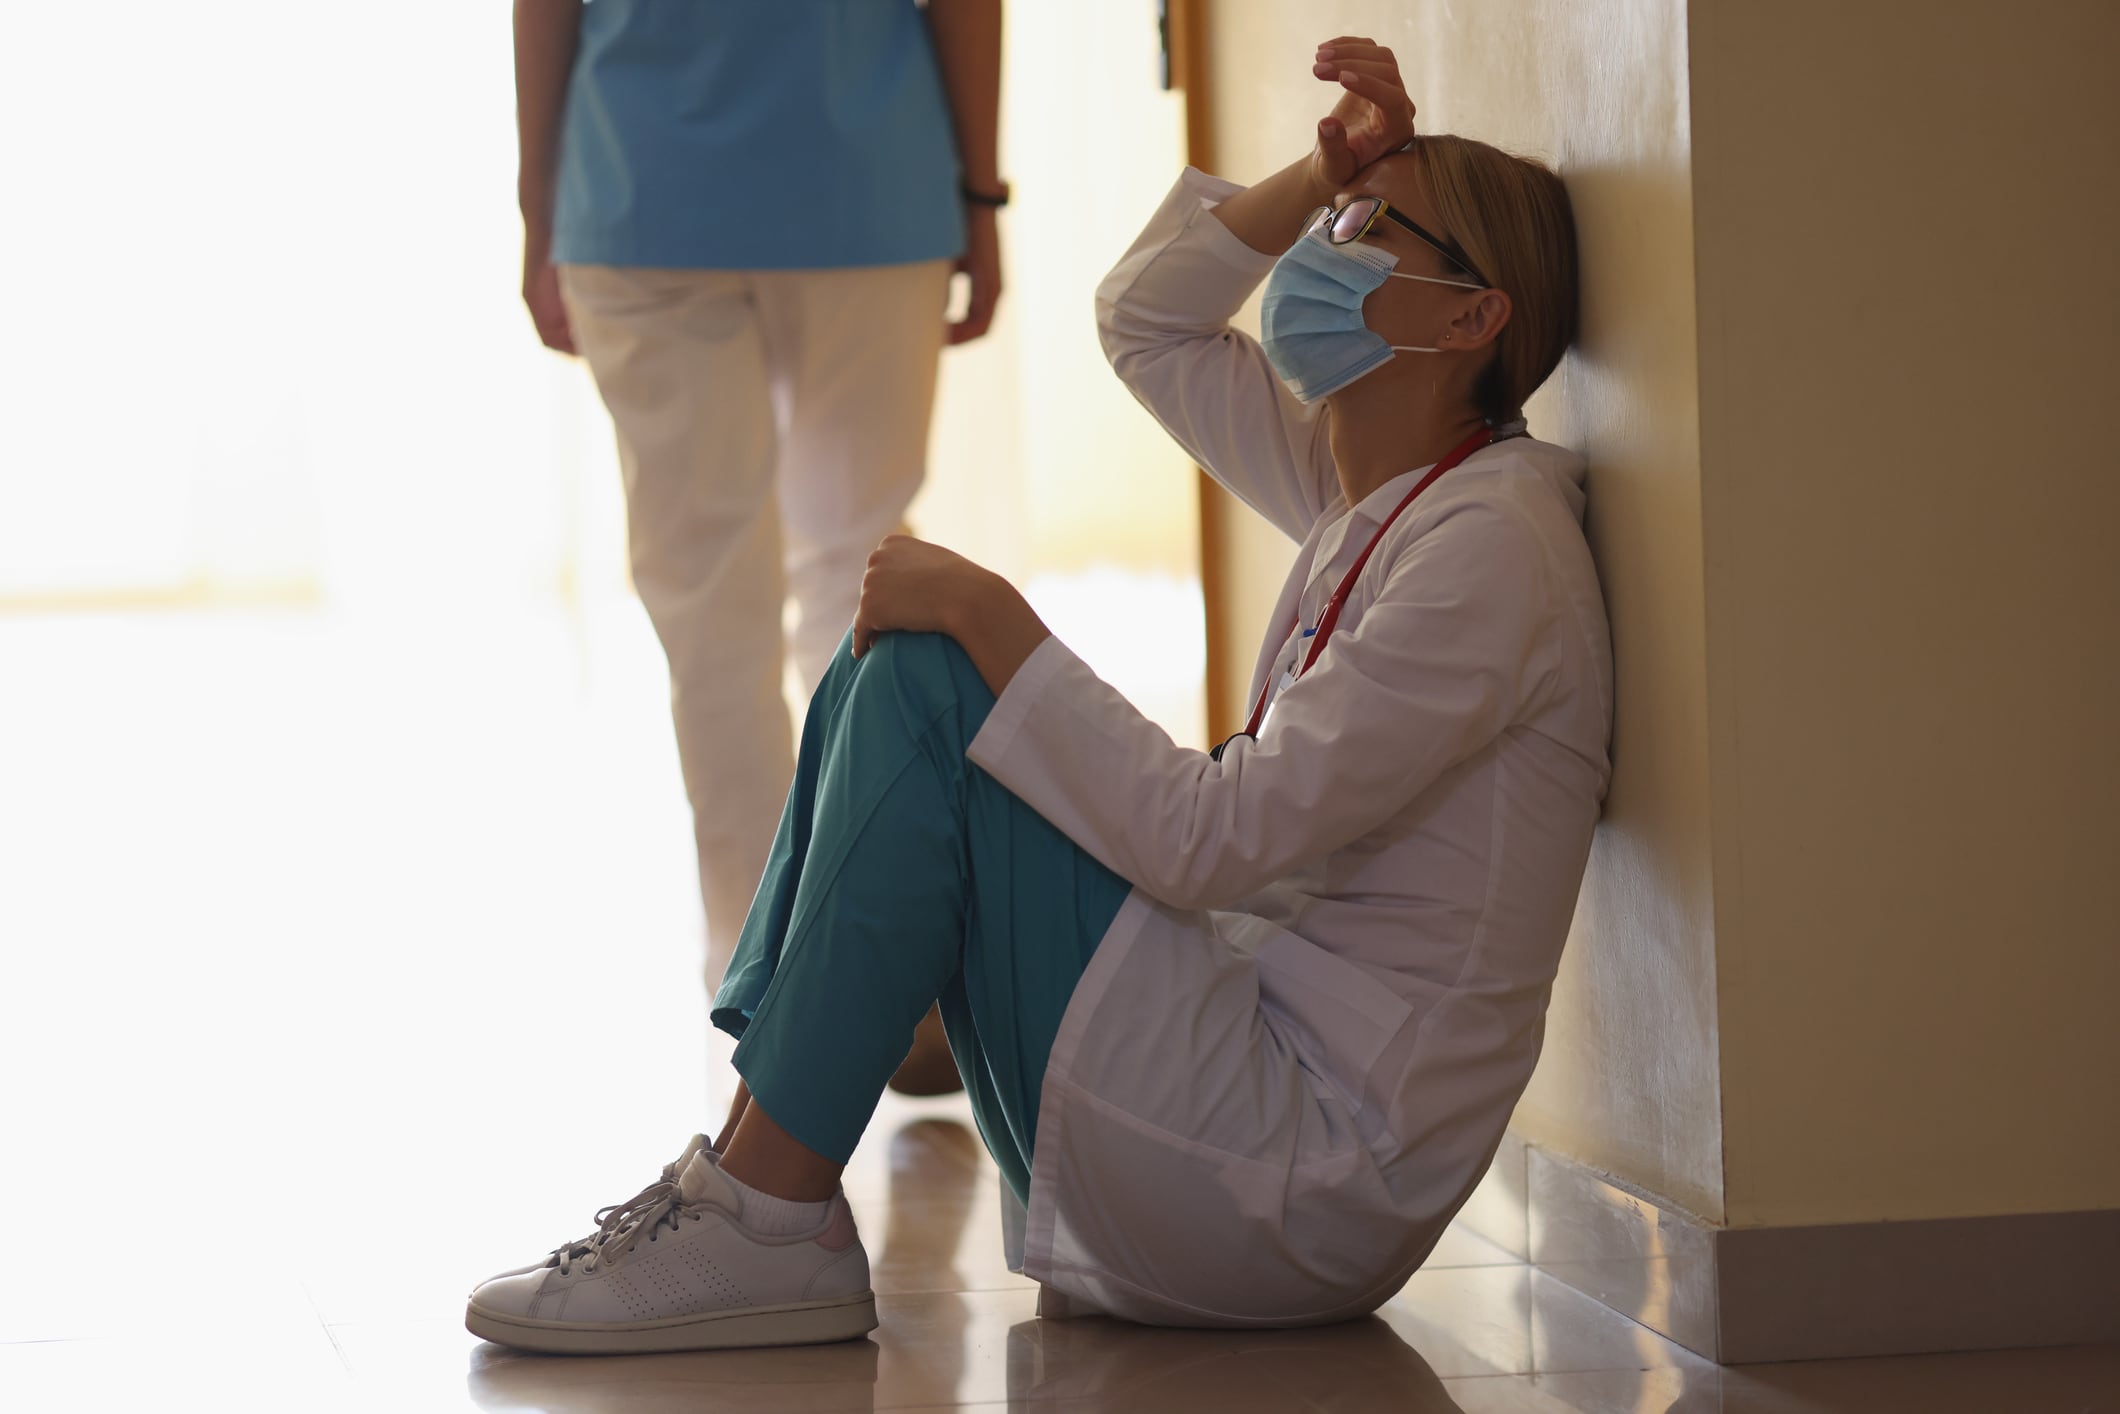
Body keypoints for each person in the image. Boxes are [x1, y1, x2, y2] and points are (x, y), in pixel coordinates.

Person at [467, 36, 1612, 1352]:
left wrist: (1001, 623)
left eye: (1364, 223)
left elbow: (1216, 839)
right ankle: (748, 1184)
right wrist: (1314, 173)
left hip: (1295, 1173)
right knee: (891, 660)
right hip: (1229, 1109)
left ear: (1472, 318)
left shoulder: (1490, 551)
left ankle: (760, 1210)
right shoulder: (1382, 503)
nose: (1322, 247)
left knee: (934, 670)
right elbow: (1146, 319)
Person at [511, 1, 1004, 1091]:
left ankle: (770, 984)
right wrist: (977, 192)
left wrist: (539, 206)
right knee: (862, 580)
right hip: (866, 178)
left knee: (709, 612)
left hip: (640, 190)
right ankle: (892, 964)